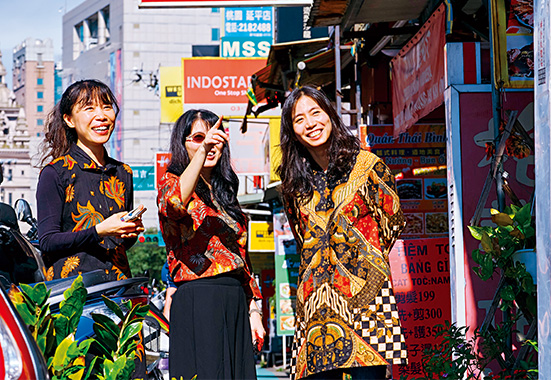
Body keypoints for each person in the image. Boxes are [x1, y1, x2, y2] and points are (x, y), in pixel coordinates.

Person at [279, 86, 407, 380]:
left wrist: (362, 263)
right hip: (315, 307)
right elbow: (303, 239)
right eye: (299, 119)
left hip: (367, 299)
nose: (310, 124)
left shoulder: (368, 166)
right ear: (292, 132)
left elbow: (392, 222)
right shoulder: (293, 184)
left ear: (330, 115)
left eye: (316, 113)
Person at [158, 109, 265, 380]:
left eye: (214, 138)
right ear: (182, 145)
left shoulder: (224, 192)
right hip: (199, 298)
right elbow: (173, 204)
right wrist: (202, 152)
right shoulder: (172, 184)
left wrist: (254, 310)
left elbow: (242, 257)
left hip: (235, 300)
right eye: (198, 138)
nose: (209, 144)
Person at [37, 79, 144, 281]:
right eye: (89, 108)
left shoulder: (123, 172)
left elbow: (119, 244)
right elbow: (48, 241)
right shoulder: (55, 173)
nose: (101, 116)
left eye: (106, 107)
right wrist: (99, 231)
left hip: (118, 287)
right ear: (69, 120)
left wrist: (129, 232)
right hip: (74, 294)